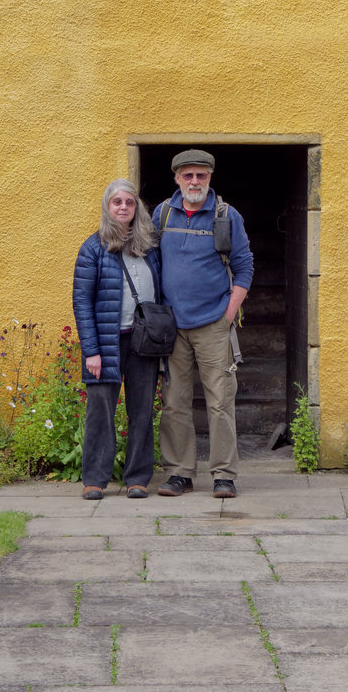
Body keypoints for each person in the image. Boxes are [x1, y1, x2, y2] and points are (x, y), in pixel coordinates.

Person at [153, 149, 253, 498]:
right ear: (177, 178)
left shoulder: (227, 216)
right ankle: (180, 473)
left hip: (213, 324)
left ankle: (224, 475)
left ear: (210, 178)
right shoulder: (162, 213)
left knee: (220, 401)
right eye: (187, 176)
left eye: (201, 176)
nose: (194, 182)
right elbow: (151, 263)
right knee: (174, 402)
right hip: (172, 327)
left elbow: (244, 267)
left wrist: (228, 316)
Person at [72, 179, 161, 500]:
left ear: (137, 208)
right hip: (106, 344)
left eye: (129, 202)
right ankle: (94, 479)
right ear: (107, 207)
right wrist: (91, 351)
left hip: (143, 344)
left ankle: (137, 477)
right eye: (117, 202)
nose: (123, 207)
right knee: (100, 412)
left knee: (141, 411)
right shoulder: (93, 248)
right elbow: (81, 302)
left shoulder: (149, 248)